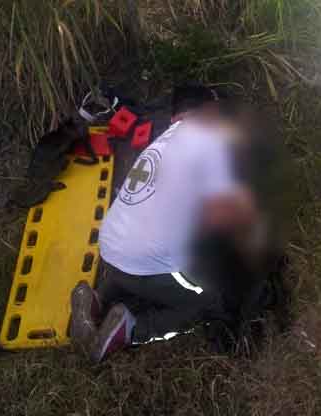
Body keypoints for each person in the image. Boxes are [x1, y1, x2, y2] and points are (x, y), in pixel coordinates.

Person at [69, 84, 259, 362]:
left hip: (109, 248)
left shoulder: (157, 144)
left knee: (137, 258)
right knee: (210, 303)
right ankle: (131, 330)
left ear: (174, 119)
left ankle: (98, 300)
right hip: (147, 259)